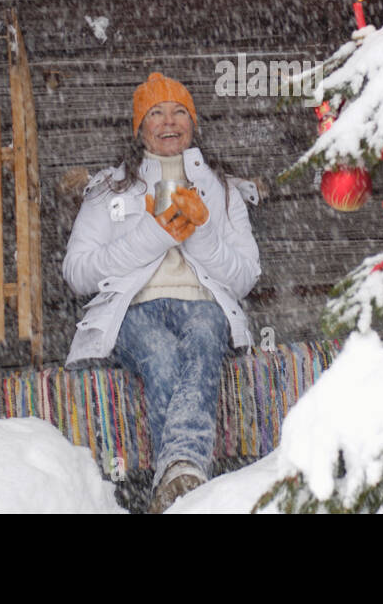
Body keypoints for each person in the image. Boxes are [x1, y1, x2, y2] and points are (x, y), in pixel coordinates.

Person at [62, 72, 261, 513]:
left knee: (207, 330)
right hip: (134, 312)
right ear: (140, 128)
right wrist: (153, 234)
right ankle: (187, 475)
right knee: (161, 353)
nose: (169, 122)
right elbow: (77, 272)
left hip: (202, 306)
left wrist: (201, 230)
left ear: (193, 123)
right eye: (156, 113)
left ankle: (175, 479)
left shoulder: (223, 189)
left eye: (179, 112)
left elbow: (246, 275)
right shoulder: (110, 188)